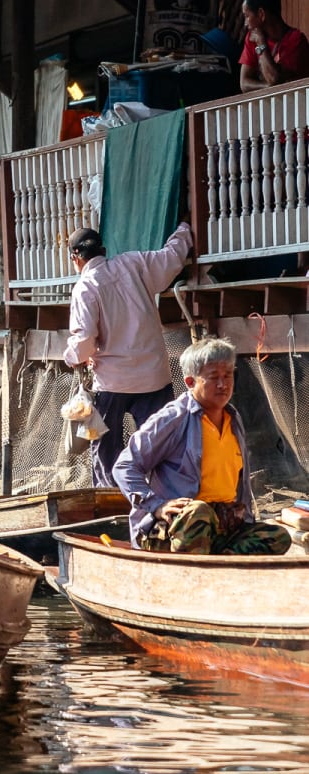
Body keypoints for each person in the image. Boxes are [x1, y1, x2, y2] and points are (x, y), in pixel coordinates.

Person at [112, 337, 290, 555]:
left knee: (278, 538)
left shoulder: (233, 418)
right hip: (176, 528)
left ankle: (225, 565)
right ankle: (191, 573)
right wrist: (156, 505)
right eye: (214, 377)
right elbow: (124, 466)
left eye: (228, 375)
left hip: (222, 526)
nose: (223, 384)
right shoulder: (173, 418)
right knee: (199, 511)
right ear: (190, 382)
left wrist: (245, 522)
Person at [64, 221, 192, 487]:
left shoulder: (85, 287)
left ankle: (113, 503)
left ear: (75, 259)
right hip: (153, 377)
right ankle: (165, 494)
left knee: (106, 449)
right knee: (160, 440)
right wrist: (183, 230)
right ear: (103, 249)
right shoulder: (134, 263)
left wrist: (70, 356)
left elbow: (85, 341)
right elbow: (172, 258)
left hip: (112, 383)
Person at [239, 0, 309, 93]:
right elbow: (244, 83)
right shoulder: (252, 38)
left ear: (261, 14)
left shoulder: (296, 40)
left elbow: (274, 78)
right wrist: (268, 86)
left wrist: (261, 44)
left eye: (247, 16)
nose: (245, 23)